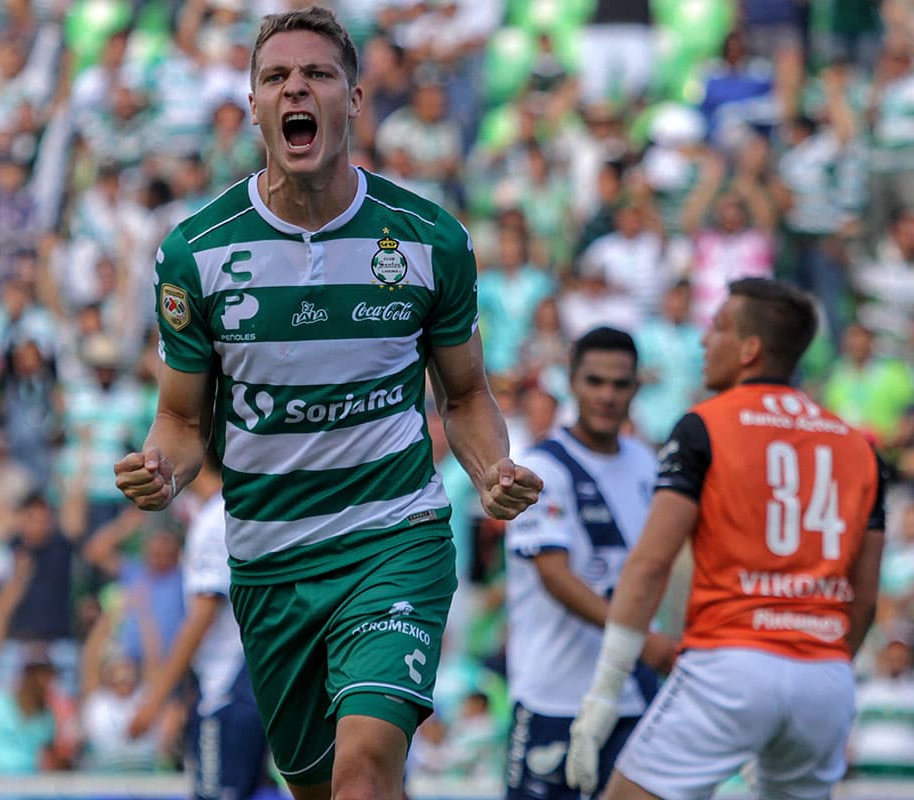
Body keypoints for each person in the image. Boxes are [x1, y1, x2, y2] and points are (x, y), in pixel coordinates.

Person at [115, 7, 542, 800]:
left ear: (354, 98)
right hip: (272, 564)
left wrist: (491, 470)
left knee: (365, 771)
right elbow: (181, 421)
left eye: (317, 74)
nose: (296, 89)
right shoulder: (196, 252)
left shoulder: (429, 238)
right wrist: (164, 470)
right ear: (252, 104)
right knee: (322, 788)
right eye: (276, 77)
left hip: (394, 540)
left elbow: (466, 395)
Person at [566, 278, 887, 800]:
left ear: (749, 349)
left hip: (730, 664)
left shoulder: (704, 426)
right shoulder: (858, 447)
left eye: (717, 327)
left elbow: (650, 565)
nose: (704, 339)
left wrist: (603, 694)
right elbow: (866, 597)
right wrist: (815, 673)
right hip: (826, 675)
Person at [505, 327, 676, 800]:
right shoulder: (541, 468)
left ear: (637, 387)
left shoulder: (646, 463)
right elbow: (555, 576)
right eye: (595, 381)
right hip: (555, 693)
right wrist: (640, 641)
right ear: (571, 382)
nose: (607, 395)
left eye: (620, 384)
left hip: (633, 694)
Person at [127, 454, 270, 800]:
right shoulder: (236, 510)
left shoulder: (213, 521)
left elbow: (202, 618)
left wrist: (156, 699)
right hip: (248, 684)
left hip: (225, 691)